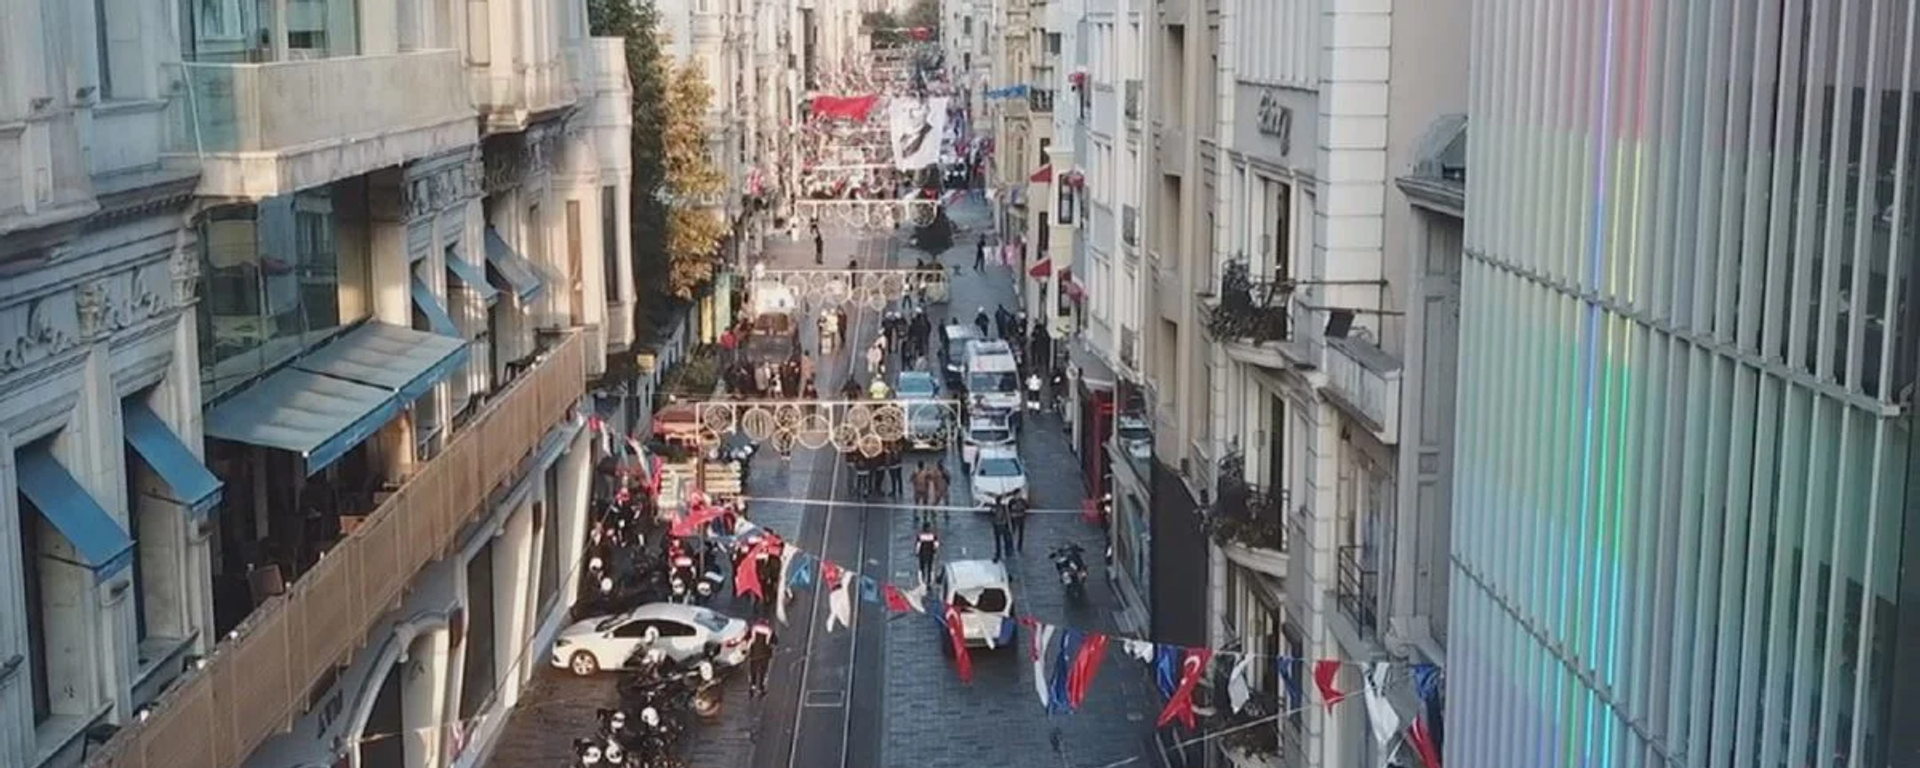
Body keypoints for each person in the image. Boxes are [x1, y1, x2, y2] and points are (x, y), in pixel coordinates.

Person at [746, 618, 777, 698]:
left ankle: (752, 687)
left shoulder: (753, 630)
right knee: (763, 672)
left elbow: (748, 639)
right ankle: (761, 688)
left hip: (754, 655)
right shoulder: (770, 632)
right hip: (765, 655)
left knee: (753, 671)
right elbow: (775, 642)